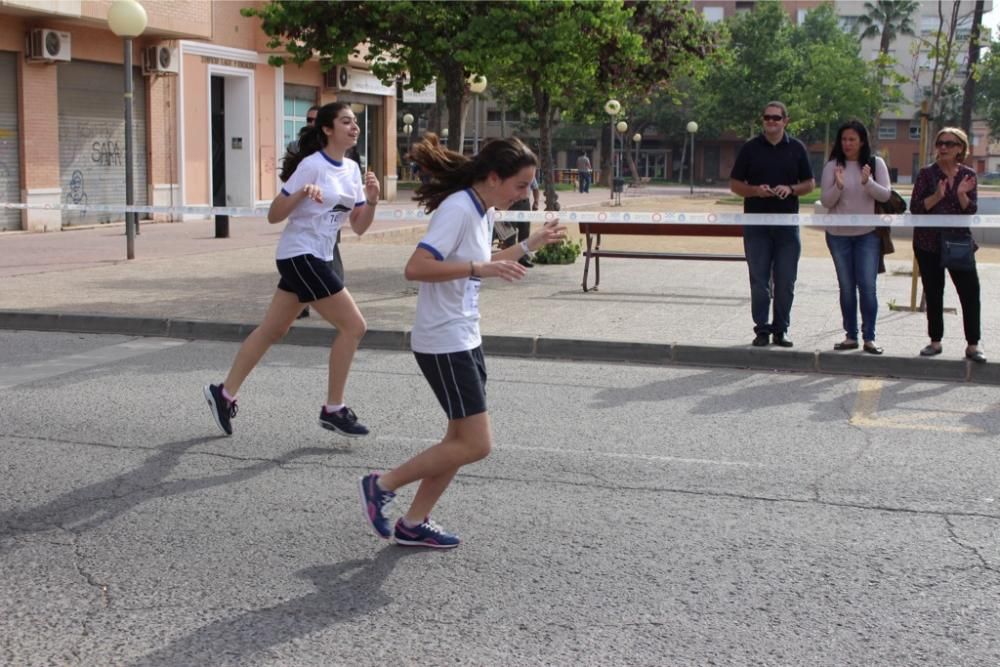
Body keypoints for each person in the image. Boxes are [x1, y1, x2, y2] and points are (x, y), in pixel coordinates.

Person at [358, 134, 566, 548]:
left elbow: (483, 266)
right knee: (476, 443)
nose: (525, 195)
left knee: (459, 442)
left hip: (465, 334)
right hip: (443, 339)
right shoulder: (458, 210)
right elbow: (416, 268)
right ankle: (382, 484)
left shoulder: (483, 208)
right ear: (493, 177)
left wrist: (529, 244)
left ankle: (414, 522)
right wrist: (477, 267)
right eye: (520, 186)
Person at [204, 102, 381, 437]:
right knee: (354, 326)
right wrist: (301, 192)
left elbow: (358, 226)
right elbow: (274, 214)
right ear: (328, 129)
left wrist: (371, 200)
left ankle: (223, 393)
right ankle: (334, 409)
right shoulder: (312, 166)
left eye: (355, 122)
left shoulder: (353, 169)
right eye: (346, 121)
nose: (354, 127)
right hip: (300, 254)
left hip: (320, 256)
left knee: (273, 330)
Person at [729, 101, 815, 348]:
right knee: (759, 280)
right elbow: (735, 185)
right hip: (757, 226)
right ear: (762, 120)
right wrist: (755, 191)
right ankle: (762, 329)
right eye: (767, 118)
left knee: (786, 280)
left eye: (776, 118)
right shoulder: (750, 148)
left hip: (787, 226)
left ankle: (781, 329)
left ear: (785, 121)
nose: (771, 122)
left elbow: (809, 183)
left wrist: (790, 189)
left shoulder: (797, 148)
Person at [909, 127, 984, 363]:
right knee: (934, 292)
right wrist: (937, 196)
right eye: (940, 143)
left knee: (970, 293)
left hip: (958, 243)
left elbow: (970, 209)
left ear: (960, 148)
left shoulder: (968, 174)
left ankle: (973, 345)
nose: (943, 148)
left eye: (949, 144)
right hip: (928, 243)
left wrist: (961, 194)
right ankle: (935, 341)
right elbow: (916, 207)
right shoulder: (926, 174)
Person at [819, 120, 892, 355]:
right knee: (847, 287)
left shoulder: (875, 163)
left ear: (862, 141)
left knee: (868, 287)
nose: (847, 144)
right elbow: (826, 202)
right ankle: (851, 336)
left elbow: (885, 195)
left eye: (852, 139)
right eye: (844, 139)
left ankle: (870, 337)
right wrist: (838, 186)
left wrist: (867, 182)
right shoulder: (832, 166)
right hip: (838, 236)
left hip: (867, 236)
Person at [286, 106, 345, 320]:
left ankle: (335, 294)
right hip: (303, 216)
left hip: (328, 214)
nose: (311, 123)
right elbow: (288, 177)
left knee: (329, 253)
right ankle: (302, 305)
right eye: (308, 119)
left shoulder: (336, 148)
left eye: (315, 119)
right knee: (302, 260)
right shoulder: (298, 146)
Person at [503, 175, 541, 267]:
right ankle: (510, 260)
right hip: (510, 204)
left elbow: (535, 188)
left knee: (524, 231)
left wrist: (536, 202)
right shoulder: (509, 172)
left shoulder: (529, 174)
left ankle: (523, 258)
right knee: (509, 233)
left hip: (524, 204)